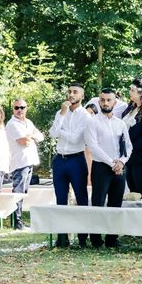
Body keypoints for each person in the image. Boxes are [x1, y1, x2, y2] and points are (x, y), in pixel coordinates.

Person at [85, 88, 133, 248]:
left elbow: (129, 146)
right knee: (98, 203)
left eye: (109, 100)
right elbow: (93, 147)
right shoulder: (92, 122)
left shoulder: (120, 124)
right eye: (103, 100)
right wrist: (112, 163)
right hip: (101, 167)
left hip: (119, 168)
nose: (105, 103)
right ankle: (96, 239)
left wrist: (121, 162)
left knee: (116, 203)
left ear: (114, 102)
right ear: (99, 102)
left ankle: (112, 239)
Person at [49, 83, 90, 247]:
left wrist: (60, 129)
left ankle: (82, 238)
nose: (71, 94)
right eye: (70, 91)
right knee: (60, 199)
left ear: (82, 96)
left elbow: (74, 139)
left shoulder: (85, 116)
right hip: (60, 160)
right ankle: (62, 237)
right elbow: (52, 134)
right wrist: (62, 116)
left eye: (75, 92)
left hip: (76, 159)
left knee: (81, 199)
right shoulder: (61, 112)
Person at [6, 98, 45, 230]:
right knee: (18, 193)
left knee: (23, 192)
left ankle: (19, 221)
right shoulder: (12, 124)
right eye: (17, 108)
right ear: (13, 109)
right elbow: (24, 141)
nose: (19, 110)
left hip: (29, 162)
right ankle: (16, 222)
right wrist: (31, 136)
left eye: (22, 107)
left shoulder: (28, 122)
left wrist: (30, 136)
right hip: (19, 163)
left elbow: (41, 137)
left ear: (26, 108)